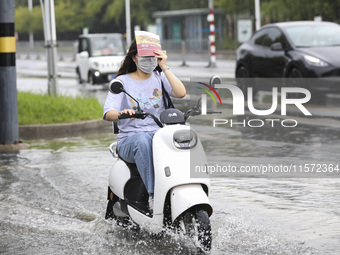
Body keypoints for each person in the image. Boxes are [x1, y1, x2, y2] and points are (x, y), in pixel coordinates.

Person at [103, 39, 186, 213]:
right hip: (130, 141)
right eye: (144, 57)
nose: (149, 60)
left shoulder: (160, 77)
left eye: (153, 57)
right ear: (134, 58)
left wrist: (164, 67)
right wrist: (121, 113)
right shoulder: (122, 82)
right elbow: (108, 113)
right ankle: (154, 196)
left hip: (158, 138)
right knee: (142, 139)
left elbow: (181, 92)